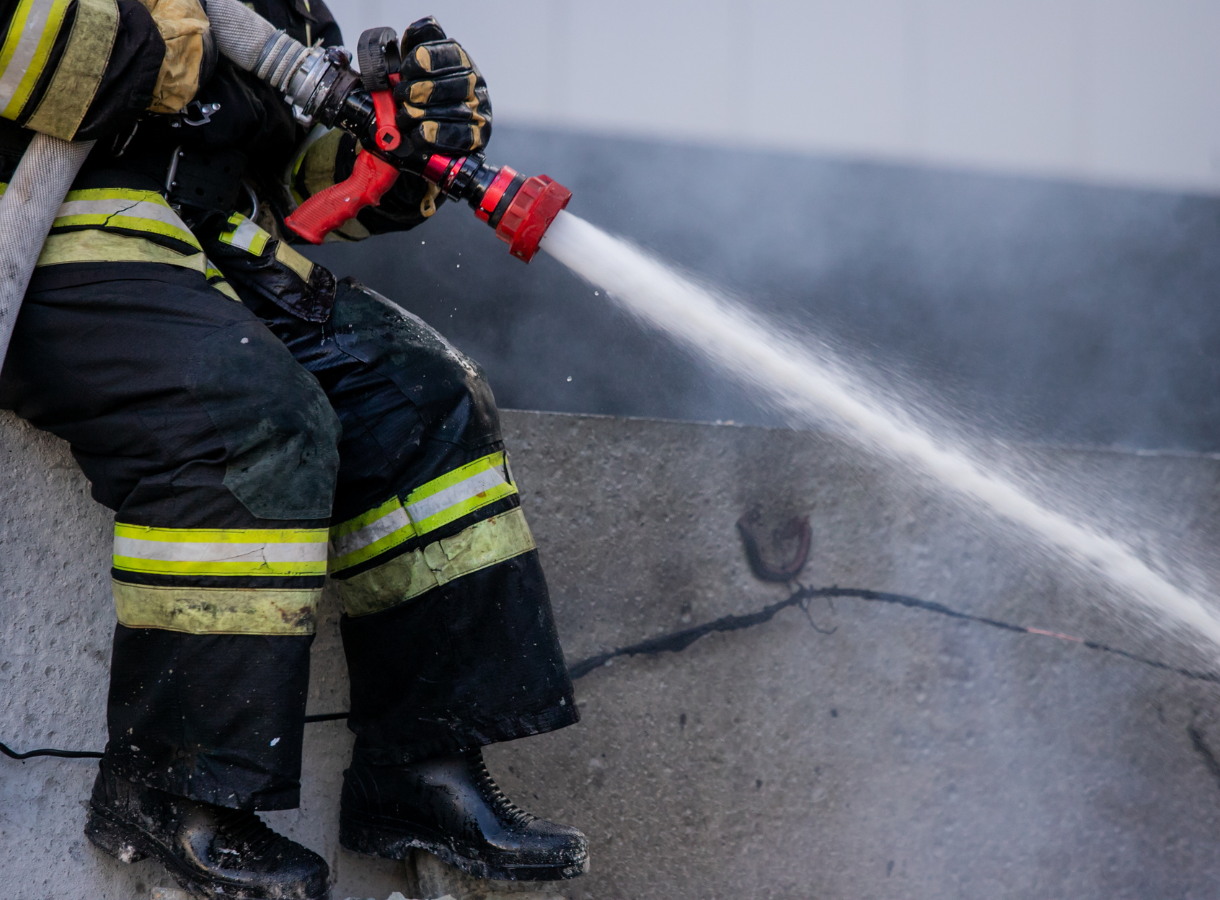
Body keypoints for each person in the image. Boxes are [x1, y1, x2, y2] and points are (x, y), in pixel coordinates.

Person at [0, 0, 587, 896]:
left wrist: (397, 149)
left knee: (423, 398)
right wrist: (148, 44)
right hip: (51, 237)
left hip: (214, 245)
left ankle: (420, 767)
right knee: (250, 410)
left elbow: (282, 167)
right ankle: (170, 788)